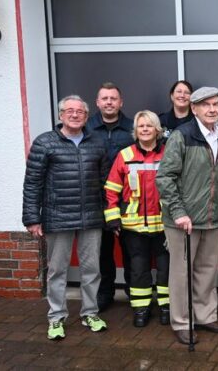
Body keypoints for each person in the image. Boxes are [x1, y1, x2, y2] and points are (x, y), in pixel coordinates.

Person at [156, 86, 218, 345]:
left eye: (215, 104)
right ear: (194, 109)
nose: (212, 109)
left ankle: (205, 316)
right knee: (182, 274)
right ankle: (182, 322)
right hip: (184, 222)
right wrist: (179, 213)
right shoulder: (182, 136)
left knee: (207, 271)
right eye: (206, 105)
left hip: (212, 218)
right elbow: (165, 177)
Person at [22, 95, 109, 340]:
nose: (74, 115)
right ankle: (56, 317)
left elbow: (105, 183)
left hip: (91, 217)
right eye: (69, 111)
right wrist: (32, 218)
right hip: (57, 217)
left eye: (79, 111)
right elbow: (32, 184)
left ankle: (90, 313)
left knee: (92, 269)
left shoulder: (97, 142)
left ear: (86, 115)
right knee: (57, 270)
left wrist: (109, 217)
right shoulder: (45, 143)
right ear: (60, 115)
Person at [104, 111, 169, 328]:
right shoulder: (125, 155)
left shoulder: (169, 154)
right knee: (138, 270)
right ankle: (141, 309)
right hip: (133, 226)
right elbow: (112, 189)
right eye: (140, 126)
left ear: (157, 130)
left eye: (149, 126)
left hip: (164, 225)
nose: (144, 129)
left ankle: (166, 307)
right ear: (135, 130)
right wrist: (113, 219)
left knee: (165, 269)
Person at [86, 82, 135, 312]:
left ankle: (134, 291)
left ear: (121, 102)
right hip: (96, 198)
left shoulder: (131, 129)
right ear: (97, 102)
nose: (109, 102)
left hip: (127, 199)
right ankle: (105, 293)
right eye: (104, 98)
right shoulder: (87, 128)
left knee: (131, 249)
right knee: (102, 251)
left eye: (113, 98)